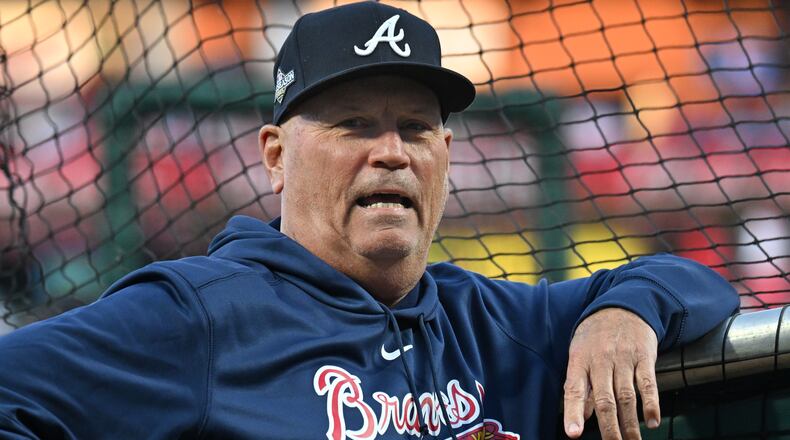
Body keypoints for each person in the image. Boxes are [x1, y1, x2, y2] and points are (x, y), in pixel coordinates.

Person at [0, 2, 739, 440]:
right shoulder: (198, 317)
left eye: (415, 129)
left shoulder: (496, 321)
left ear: (445, 155)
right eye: (353, 126)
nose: (391, 154)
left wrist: (626, 306)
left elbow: (700, 283)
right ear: (276, 155)